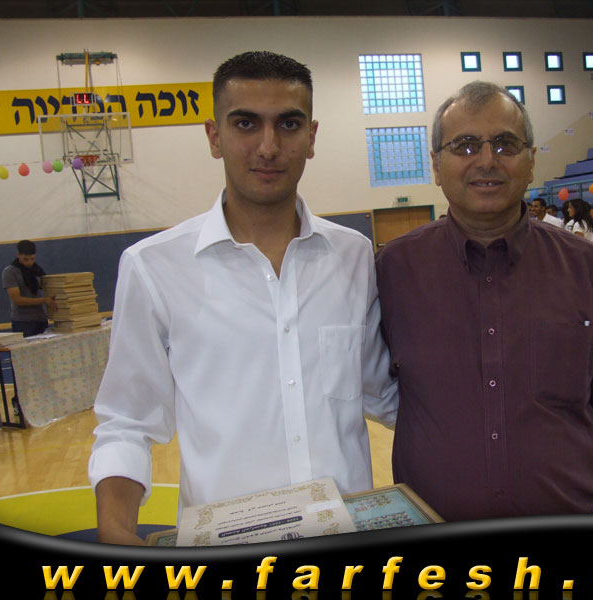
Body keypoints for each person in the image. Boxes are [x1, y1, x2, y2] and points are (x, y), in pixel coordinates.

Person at [88, 51, 398, 545]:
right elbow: (127, 422)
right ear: (214, 137)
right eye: (246, 123)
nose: (268, 147)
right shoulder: (154, 267)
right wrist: (115, 529)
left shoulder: (354, 256)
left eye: (288, 124)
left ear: (312, 137)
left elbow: (383, 391)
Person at [375, 81, 593, 522]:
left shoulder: (590, 271)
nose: (487, 160)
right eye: (465, 145)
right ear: (436, 165)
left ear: (531, 162)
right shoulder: (393, 272)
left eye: (505, 144)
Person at [1, 240, 56, 337]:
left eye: (32, 259)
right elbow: (18, 300)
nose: (29, 262)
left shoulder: (37, 269)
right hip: (22, 321)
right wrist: (44, 300)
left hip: (40, 318)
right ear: (18, 255)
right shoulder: (10, 272)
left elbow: (48, 287)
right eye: (25, 259)